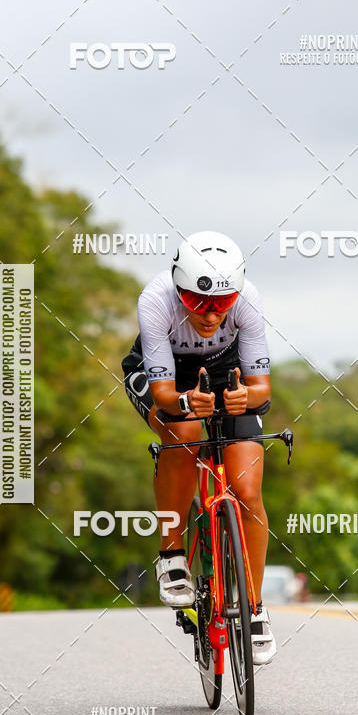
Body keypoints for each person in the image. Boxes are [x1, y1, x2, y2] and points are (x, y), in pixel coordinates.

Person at [122, 232, 276, 664]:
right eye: (198, 302)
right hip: (168, 377)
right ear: (178, 287)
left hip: (228, 371)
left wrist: (248, 398)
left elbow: (262, 388)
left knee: (246, 492)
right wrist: (186, 403)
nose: (211, 315)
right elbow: (166, 393)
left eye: (222, 303)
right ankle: (171, 555)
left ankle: (255, 609)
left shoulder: (249, 299)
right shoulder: (155, 300)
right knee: (184, 432)